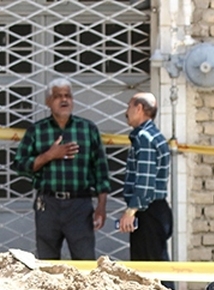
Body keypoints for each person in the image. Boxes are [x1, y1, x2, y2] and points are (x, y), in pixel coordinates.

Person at [12, 79, 110, 261]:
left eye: (68, 95)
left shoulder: (88, 130)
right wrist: (48, 155)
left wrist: (101, 207)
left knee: (85, 264)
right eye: (58, 96)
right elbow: (19, 165)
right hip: (48, 205)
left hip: (80, 205)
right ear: (48, 101)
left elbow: (101, 172)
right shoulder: (37, 131)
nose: (64, 100)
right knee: (47, 265)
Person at [119, 92, 173, 262]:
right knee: (154, 268)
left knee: (152, 271)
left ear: (139, 108)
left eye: (129, 106)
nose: (126, 112)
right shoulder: (153, 135)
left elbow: (145, 180)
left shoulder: (144, 138)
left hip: (148, 212)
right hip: (154, 209)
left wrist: (131, 211)